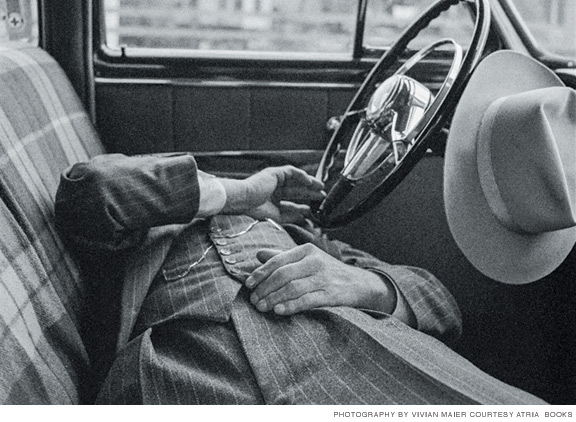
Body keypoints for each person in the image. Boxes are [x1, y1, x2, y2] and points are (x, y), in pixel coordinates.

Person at [55, 152, 543, 405]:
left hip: (367, 359)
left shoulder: (309, 239)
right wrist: (243, 192)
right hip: (192, 370)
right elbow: (94, 192)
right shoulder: (156, 218)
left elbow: (440, 304)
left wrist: (367, 286)